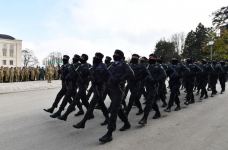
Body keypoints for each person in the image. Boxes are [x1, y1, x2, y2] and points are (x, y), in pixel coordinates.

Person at [99, 49, 134, 143]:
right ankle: (127, 124)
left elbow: (131, 74)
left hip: (118, 91)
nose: (114, 55)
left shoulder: (124, 64)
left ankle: (109, 133)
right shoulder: (113, 64)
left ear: (121, 56)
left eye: (116, 54)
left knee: (114, 111)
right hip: (111, 90)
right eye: (114, 54)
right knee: (118, 110)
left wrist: (120, 79)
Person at [73, 52, 110, 128]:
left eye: (96, 57)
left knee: (92, 105)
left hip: (100, 88)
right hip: (95, 87)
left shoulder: (103, 66)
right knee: (102, 105)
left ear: (100, 58)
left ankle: (83, 122)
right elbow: (90, 75)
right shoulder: (94, 66)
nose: (94, 58)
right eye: (94, 56)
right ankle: (108, 119)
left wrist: (99, 81)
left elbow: (107, 77)